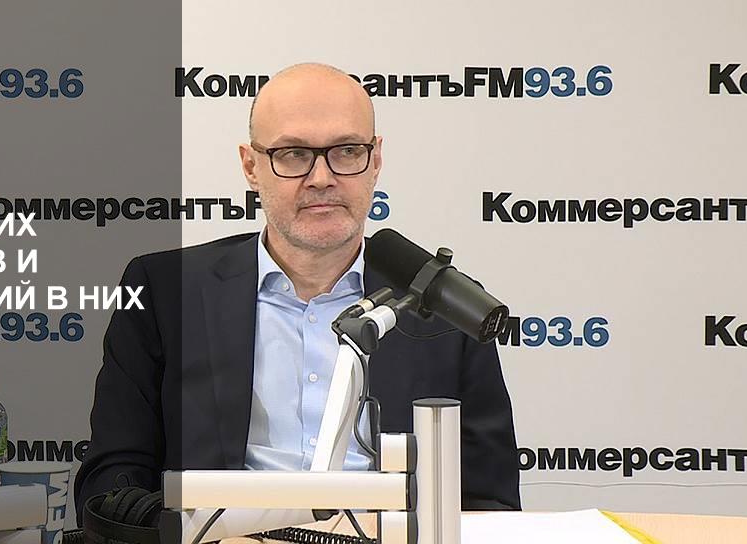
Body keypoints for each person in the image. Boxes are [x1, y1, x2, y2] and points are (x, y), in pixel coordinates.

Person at [74, 63, 520, 523]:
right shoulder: (166, 291)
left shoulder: (445, 306)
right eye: (293, 154)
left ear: (375, 161)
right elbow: (110, 486)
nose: (322, 177)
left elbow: (492, 504)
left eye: (347, 151)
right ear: (251, 166)